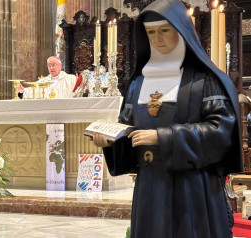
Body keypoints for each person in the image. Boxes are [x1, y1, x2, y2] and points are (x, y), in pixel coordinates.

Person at [91, 0, 242, 237]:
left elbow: (220, 131)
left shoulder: (205, 80)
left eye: (164, 31)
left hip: (192, 186)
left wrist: (162, 137)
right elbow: (128, 128)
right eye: (151, 32)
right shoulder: (138, 83)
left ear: (181, 31)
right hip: (150, 183)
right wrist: (111, 141)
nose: (157, 38)